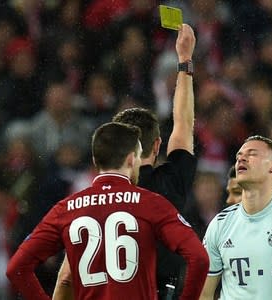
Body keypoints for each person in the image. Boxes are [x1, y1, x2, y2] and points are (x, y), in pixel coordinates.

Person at [53, 23, 197, 300]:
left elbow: (65, 278)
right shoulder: (169, 185)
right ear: (156, 145)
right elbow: (183, 124)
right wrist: (185, 61)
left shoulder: (90, 200)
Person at [6, 122, 209, 300]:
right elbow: (198, 258)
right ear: (131, 159)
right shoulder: (152, 204)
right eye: (138, 157)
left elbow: (17, 268)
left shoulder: (66, 208)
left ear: (96, 160)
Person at [200, 135, 272, 300]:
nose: (241, 158)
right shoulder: (219, 224)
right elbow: (203, 292)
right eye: (239, 156)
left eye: (252, 154)